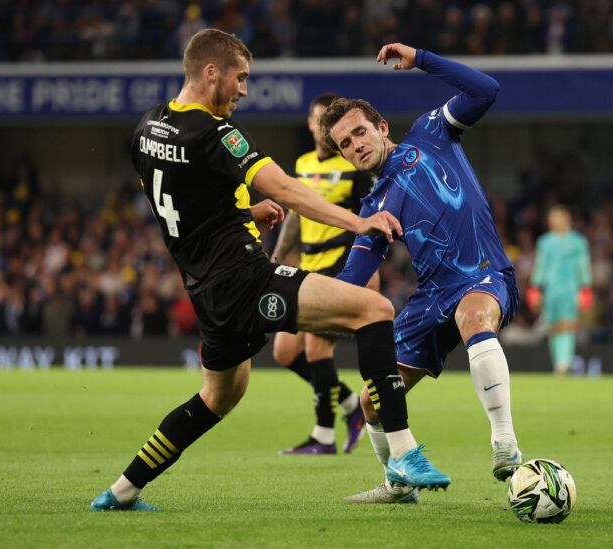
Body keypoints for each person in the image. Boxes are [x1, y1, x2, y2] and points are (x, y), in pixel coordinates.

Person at [90, 29, 449, 512]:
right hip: (245, 279)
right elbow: (286, 188)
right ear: (210, 71)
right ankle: (403, 454)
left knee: (216, 399)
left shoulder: (147, 128)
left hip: (206, 291)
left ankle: (120, 492)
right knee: (374, 307)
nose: (243, 89)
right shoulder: (218, 133)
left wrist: (243, 215)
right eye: (239, 78)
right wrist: (358, 220)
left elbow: (174, 206)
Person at [321, 42, 523, 504]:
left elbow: (486, 90)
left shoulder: (430, 134)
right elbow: (353, 278)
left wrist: (422, 59)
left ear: (381, 127)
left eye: (360, 133)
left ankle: (504, 442)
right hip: (430, 297)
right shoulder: (372, 209)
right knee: (373, 400)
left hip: (482, 275)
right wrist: (303, 295)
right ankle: (396, 484)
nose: (356, 146)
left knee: (473, 319)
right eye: (345, 144)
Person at [271, 93, 377, 456]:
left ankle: (323, 436)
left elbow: (369, 217)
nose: (322, 129)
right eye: (316, 122)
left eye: (326, 124)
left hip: (341, 264)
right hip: (308, 265)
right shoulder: (301, 164)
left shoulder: (352, 167)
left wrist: (369, 272)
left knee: (316, 346)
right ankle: (349, 405)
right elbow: (296, 215)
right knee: (285, 352)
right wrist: (277, 256)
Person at [526, 205, 592, 374]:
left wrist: (585, 287)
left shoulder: (578, 241)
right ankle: (558, 363)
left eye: (558, 217)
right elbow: (541, 265)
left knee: (568, 325)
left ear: (567, 219)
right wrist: (535, 287)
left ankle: (564, 362)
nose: (554, 221)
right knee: (554, 326)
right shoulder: (545, 242)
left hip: (570, 287)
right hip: (551, 288)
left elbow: (582, 265)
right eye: (551, 218)